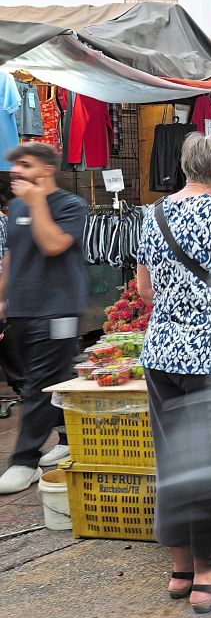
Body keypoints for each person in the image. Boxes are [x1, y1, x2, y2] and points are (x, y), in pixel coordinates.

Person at [134, 134, 211, 609]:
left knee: (175, 460)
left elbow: (144, 289)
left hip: (162, 353)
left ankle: (181, 570)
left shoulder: (155, 214)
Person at [0, 142, 86, 496]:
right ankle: (68, 437)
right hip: (22, 307)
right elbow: (10, 256)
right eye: (15, 165)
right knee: (55, 377)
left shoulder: (71, 206)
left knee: (38, 384)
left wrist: (37, 204)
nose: (17, 171)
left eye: (25, 164)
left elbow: (53, 245)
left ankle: (24, 461)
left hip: (58, 308)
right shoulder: (17, 206)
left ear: (47, 169)